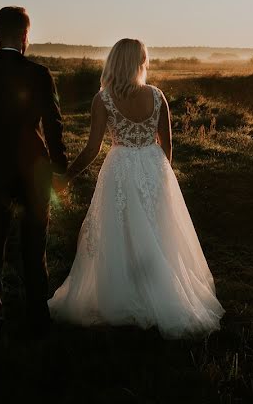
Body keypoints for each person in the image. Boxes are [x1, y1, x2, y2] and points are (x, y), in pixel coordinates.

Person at [48, 38, 223, 338]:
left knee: (121, 232)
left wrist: (67, 176)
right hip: (154, 169)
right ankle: (156, 293)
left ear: (114, 62)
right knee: (157, 233)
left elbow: (93, 149)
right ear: (140, 62)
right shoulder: (157, 97)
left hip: (120, 170)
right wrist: (158, 176)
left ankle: (123, 295)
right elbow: (167, 148)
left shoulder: (103, 99)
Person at [0, 6, 68, 338]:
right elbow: (54, 127)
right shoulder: (40, 73)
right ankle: (38, 319)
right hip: (35, 172)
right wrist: (60, 170)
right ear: (26, 36)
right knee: (34, 251)